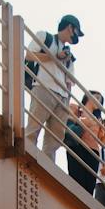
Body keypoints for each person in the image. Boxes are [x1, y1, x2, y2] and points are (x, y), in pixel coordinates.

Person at [22, 14, 82, 162]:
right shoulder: (45, 36)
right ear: (70, 28)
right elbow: (29, 55)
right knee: (34, 127)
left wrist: (67, 102)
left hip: (62, 96)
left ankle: (47, 166)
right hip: (43, 87)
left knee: (55, 138)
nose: (76, 36)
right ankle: (25, 158)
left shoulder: (69, 55)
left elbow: (69, 81)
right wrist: (55, 57)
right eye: (76, 31)